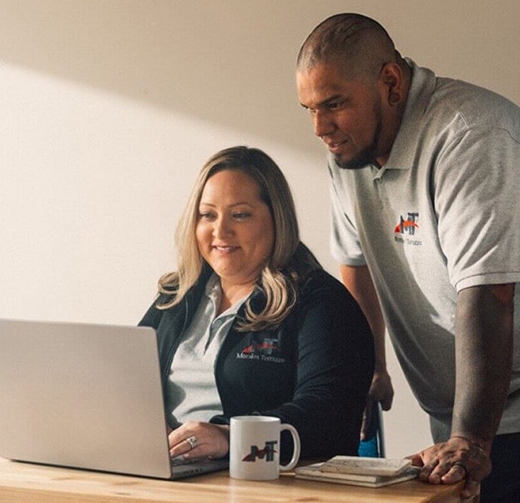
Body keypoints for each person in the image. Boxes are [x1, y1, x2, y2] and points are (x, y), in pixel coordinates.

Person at [295, 13, 520, 502]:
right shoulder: (349, 154)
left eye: (334, 104)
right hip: (464, 404)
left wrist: (470, 439)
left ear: (390, 82)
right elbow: (357, 264)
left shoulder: (472, 135)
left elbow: (488, 294)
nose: (320, 126)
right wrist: (371, 367)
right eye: (308, 108)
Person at [139, 145, 375, 464]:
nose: (220, 231)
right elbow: (126, 380)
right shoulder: (176, 295)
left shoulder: (321, 302)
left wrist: (229, 437)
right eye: (207, 215)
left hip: (268, 483)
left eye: (240, 215)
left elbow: (328, 416)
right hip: (175, 475)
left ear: (276, 219)